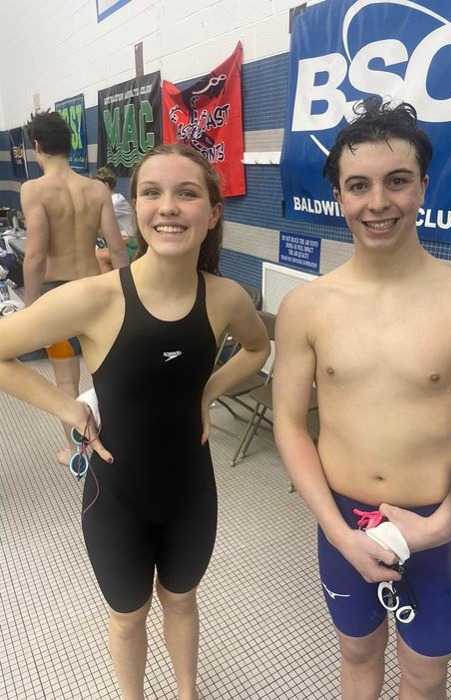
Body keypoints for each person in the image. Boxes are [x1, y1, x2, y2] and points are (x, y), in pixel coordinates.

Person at [273, 99, 451, 700]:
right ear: (339, 195)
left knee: (424, 673)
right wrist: (337, 531)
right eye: (359, 185)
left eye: (397, 181)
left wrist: (441, 526)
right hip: (342, 520)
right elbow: (288, 423)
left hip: (440, 523)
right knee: (358, 653)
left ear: (423, 187)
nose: (378, 202)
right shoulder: (307, 307)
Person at [0, 142, 270, 700]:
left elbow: (257, 348)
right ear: (136, 206)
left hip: (191, 492)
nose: (168, 206)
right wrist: (68, 408)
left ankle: (187, 693)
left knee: (182, 601)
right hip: (116, 497)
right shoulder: (94, 298)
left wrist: (209, 390)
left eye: (187, 193)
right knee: (128, 617)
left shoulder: (226, 297)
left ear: (213, 213)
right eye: (152, 192)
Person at [21, 111, 129, 464]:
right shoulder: (97, 189)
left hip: (57, 300)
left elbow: (35, 256)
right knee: (107, 373)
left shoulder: (34, 190)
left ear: (37, 146)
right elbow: (117, 249)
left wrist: (31, 308)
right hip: (96, 292)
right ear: (70, 146)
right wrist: (129, 297)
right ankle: (116, 442)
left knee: (66, 382)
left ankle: (75, 452)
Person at [92, 166, 137, 272]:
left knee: (98, 255)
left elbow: (94, 221)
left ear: (106, 185)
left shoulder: (116, 202)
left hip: (128, 242)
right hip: (119, 240)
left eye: (95, 186)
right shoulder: (110, 200)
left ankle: (111, 280)